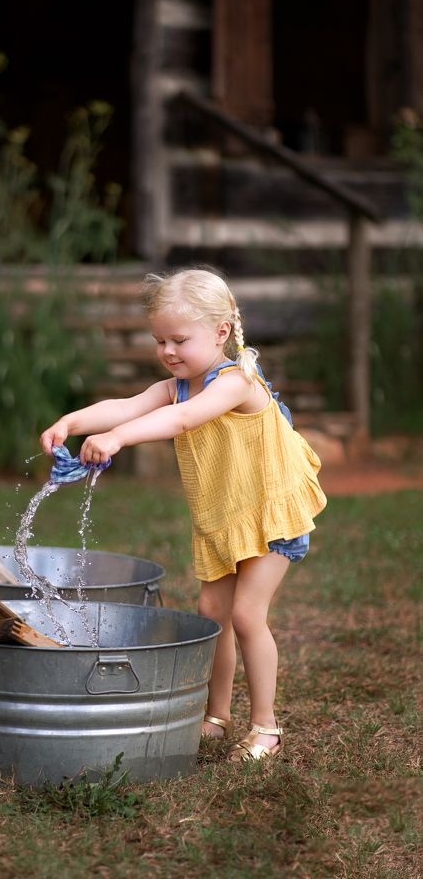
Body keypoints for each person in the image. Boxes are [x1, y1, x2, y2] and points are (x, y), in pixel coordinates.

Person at [40, 267, 327, 761]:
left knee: (245, 614)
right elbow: (127, 405)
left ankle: (266, 728)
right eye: (160, 341)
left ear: (220, 332)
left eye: (179, 339)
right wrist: (73, 421)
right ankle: (217, 715)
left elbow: (184, 419)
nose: (168, 351)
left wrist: (118, 440)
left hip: (270, 512)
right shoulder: (176, 385)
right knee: (212, 614)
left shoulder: (236, 382)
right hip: (227, 518)